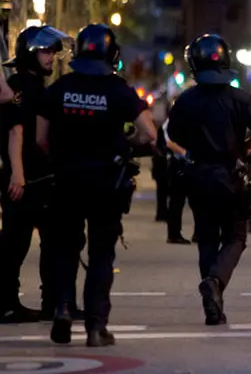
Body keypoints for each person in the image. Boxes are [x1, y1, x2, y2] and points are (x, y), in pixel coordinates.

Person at [37, 24, 157, 347]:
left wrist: (63, 158)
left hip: (66, 181)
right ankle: (95, 327)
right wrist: (125, 141)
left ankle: (62, 308)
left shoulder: (61, 88)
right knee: (101, 253)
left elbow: (40, 138)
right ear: (112, 54)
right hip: (105, 182)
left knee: (64, 248)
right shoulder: (118, 90)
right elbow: (150, 133)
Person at [167, 33, 251, 325]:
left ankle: (212, 305)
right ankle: (215, 282)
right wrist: (243, 147)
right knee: (236, 236)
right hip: (230, 175)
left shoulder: (186, 99)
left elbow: (174, 135)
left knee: (207, 239)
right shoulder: (239, 97)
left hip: (198, 175)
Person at [0, 26, 74, 323]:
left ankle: (53, 302)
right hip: (25, 179)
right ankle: (6, 303)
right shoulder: (21, 88)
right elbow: (15, 131)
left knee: (52, 241)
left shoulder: (35, 87)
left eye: (54, 52)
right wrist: (17, 174)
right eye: (46, 51)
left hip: (39, 178)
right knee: (14, 244)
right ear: (30, 53)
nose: (52, 58)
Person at [162, 110, 192, 245]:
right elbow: (168, 142)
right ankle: (174, 234)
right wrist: (184, 152)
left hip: (193, 164)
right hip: (178, 164)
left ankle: (200, 233)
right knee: (176, 201)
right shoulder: (170, 123)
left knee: (198, 200)